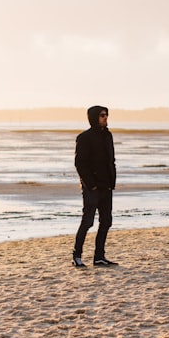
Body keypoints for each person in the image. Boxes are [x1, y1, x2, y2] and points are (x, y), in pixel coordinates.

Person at [72, 105, 117, 267]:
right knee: (88, 221)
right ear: (93, 117)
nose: (105, 118)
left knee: (106, 221)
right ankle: (77, 255)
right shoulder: (84, 138)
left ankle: (99, 257)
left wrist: (112, 181)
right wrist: (91, 185)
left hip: (107, 187)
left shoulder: (108, 136)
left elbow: (111, 161)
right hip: (92, 188)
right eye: (102, 115)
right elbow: (80, 164)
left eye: (106, 115)